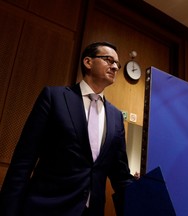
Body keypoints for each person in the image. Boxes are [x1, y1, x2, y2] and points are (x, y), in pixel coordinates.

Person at [0, 42, 135, 216]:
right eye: (109, 60)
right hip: (46, 208)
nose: (115, 67)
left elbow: (120, 174)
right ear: (88, 62)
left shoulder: (116, 116)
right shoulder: (54, 97)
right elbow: (24, 159)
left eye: (118, 64)